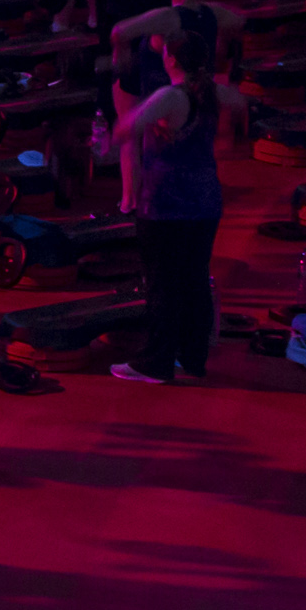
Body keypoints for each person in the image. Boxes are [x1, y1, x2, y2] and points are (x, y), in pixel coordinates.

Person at [111, 28, 224, 385]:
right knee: (194, 279)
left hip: (168, 204)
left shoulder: (170, 97)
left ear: (170, 59)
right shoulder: (210, 92)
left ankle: (156, 362)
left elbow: (125, 127)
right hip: (205, 201)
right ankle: (193, 358)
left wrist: (124, 105)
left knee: (162, 283)